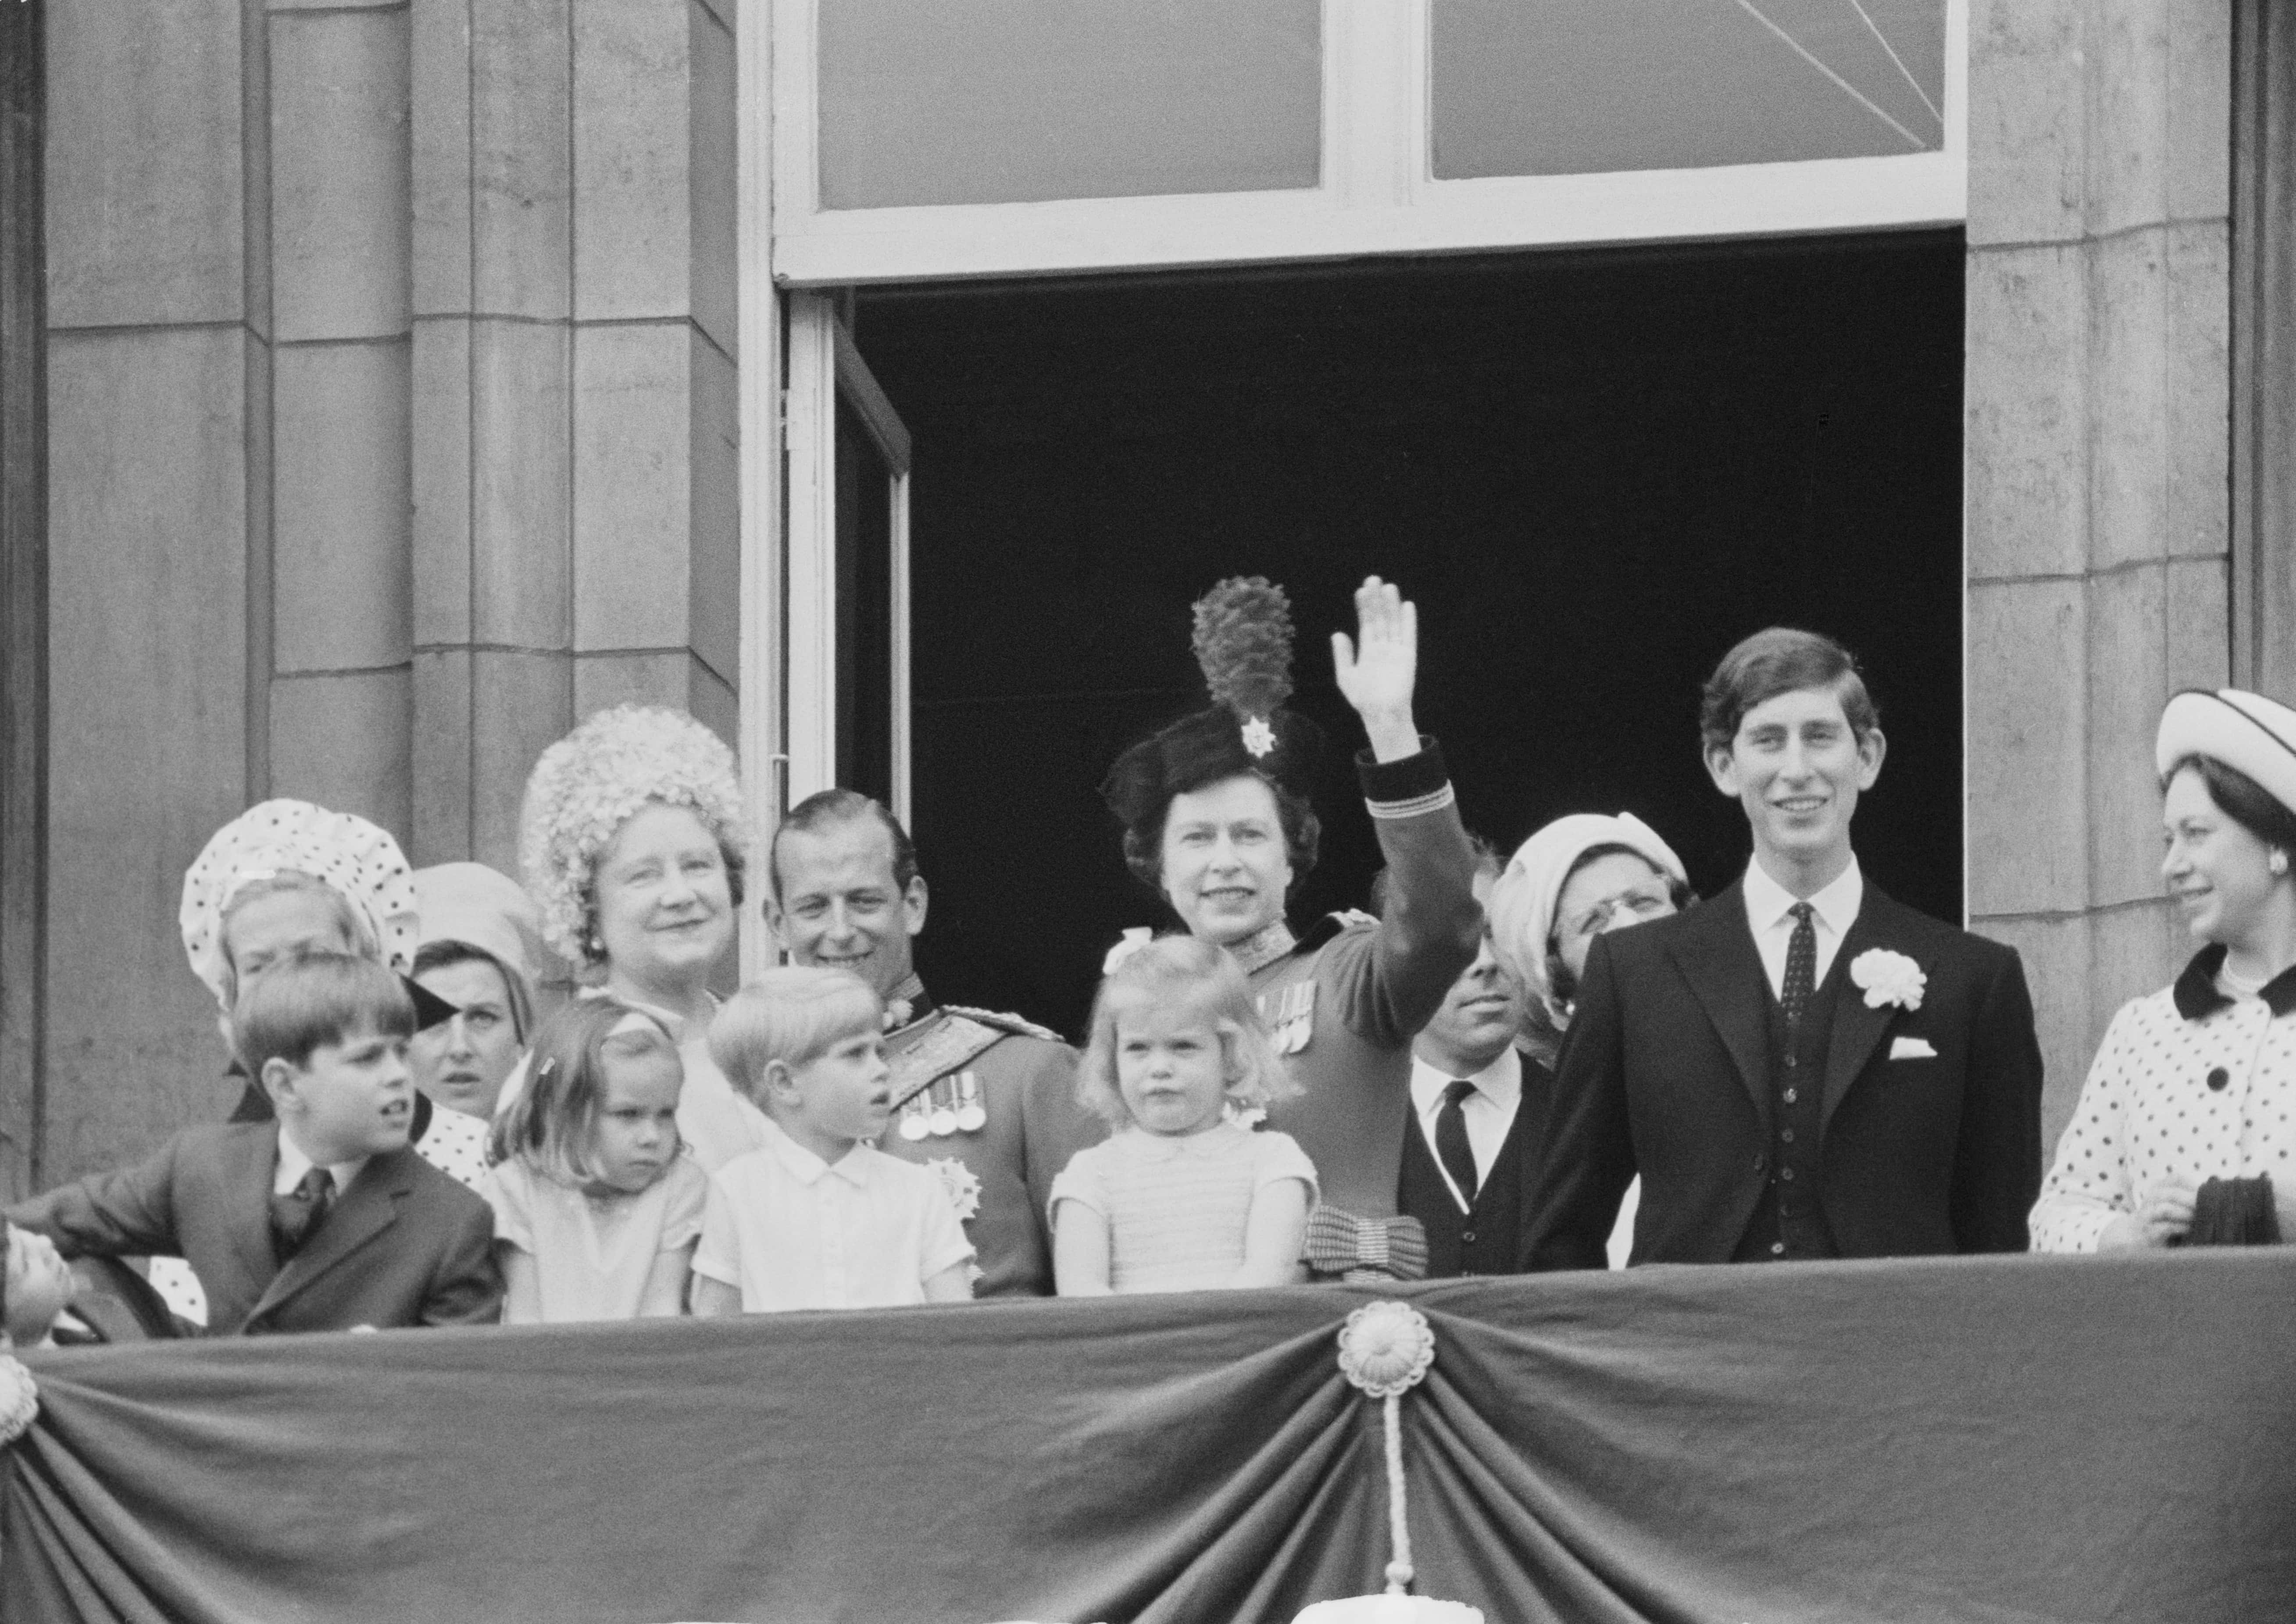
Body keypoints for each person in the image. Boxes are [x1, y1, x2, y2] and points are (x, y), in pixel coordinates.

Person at [1523, 627, 2045, 1267]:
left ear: (1867, 756)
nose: (1795, 770)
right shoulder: (1630, 975)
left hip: (1893, 1355)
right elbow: (1563, 1236)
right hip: (1686, 1358)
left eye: (1819, 736)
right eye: (1767, 739)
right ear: (1722, 764)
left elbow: (1994, 1245)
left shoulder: (1974, 979)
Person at [1100, 576, 1480, 1281]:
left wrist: (1391, 729)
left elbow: (1441, 920)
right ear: (1156, 866)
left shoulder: (1348, 975)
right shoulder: (1128, 1005)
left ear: (1291, 854)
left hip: (1332, 1332)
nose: (1224, 862)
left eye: (1249, 834)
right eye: (1196, 839)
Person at [7, 952, 502, 1333]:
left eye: (401, 1052)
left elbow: (454, 1397)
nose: (400, 1077)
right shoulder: (201, 1165)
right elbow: (51, 1222)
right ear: (285, 1085)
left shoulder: (453, 1221)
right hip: (202, 1445)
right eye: (368, 1059)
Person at [764, 789, 1102, 1296]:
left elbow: (1101, 1305)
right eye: (813, 907)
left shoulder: (1029, 1074)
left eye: (864, 901)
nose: (840, 930)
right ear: (778, 924)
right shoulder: (756, 1095)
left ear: (914, 904)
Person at [2031, 689, 2296, 1250]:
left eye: (2196, 834)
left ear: (2276, 840)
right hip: (2175, 1337)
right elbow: (2055, 1217)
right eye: (2168, 840)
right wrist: (2126, 1234)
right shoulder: (2142, 1031)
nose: (2171, 866)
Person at [514, 704, 762, 1172]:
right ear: (588, 908)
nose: (680, 894)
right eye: (644, 876)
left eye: (697, 865)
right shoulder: (562, 1066)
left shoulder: (767, 1038)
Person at [1482, 812, 1695, 1269]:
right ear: (1558, 994)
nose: (1628, 929)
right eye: (1592, 922)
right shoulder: (1543, 1139)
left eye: (1644, 901)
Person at [692, 968, 974, 1313]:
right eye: (855, 1054)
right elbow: (714, 1326)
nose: (881, 1069)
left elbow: (956, 1320)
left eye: (879, 1052)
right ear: (784, 1082)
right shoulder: (738, 1190)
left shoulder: (918, 1189)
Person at [1051, 935, 1316, 1295]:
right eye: (1138, 1048)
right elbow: (1081, 1293)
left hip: (1242, 1344)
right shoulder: (1090, 1172)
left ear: (1232, 1055)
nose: (1159, 1067)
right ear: (1111, 1060)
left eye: (1183, 1046)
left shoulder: (1272, 1159)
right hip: (1128, 1347)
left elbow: (1267, 1275)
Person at [482, 1000, 708, 1321]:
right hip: (545, 1365)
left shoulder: (681, 1184)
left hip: (647, 1364)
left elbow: (663, 1311)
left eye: (666, 1113)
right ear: (562, 1108)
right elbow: (524, 1318)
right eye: (628, 1114)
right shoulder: (517, 1186)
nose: (652, 1136)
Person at [1388, 838, 1537, 1278]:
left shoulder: (1583, 1113)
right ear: (1394, 959)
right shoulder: (1354, 1128)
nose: (1485, 962)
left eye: (1497, 931)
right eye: (1455, 939)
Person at [410, 860, 551, 1121]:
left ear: (521, 1034)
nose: (459, 1048)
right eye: (433, 1021)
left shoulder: (560, 1158)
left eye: (482, 1018)